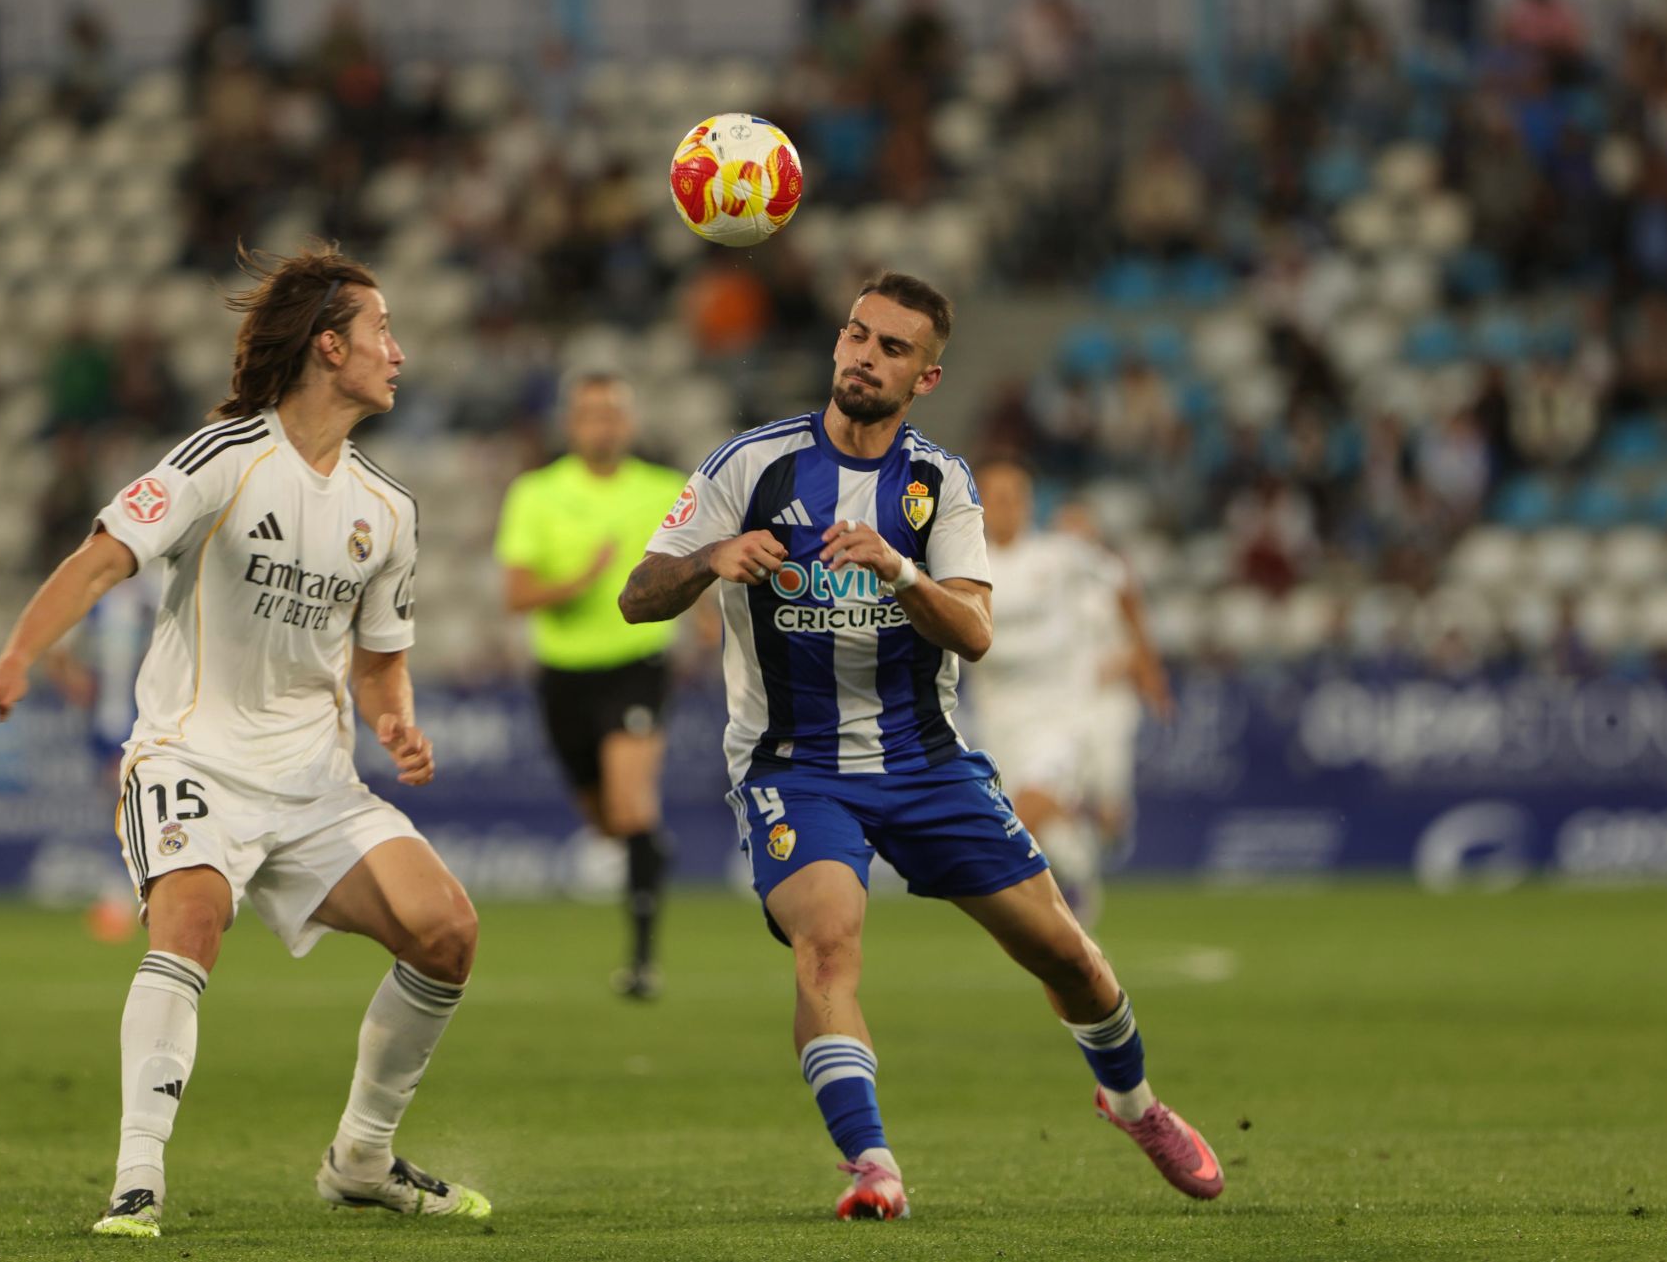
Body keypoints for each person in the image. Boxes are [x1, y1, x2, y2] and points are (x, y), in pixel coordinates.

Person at [619, 273, 1222, 1220]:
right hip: (793, 765)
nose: (866, 356)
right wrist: (708, 560)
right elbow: (636, 596)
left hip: (925, 762)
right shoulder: (749, 465)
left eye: (893, 347)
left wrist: (899, 569)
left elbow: (974, 631)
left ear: (926, 377)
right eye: (858, 335)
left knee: (1068, 957)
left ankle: (1134, 1103)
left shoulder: (941, 484)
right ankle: (873, 1165)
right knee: (826, 941)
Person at [0, 244, 491, 1238]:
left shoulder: (388, 510)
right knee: (192, 921)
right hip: (191, 757)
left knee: (448, 931)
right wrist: (19, 656)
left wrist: (396, 721)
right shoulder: (221, 460)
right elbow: (102, 556)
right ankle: (137, 1180)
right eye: (381, 331)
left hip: (314, 784)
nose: (399, 352)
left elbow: (380, 663)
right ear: (329, 347)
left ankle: (362, 1158)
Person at [494, 373, 687, 997]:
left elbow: (699, 563)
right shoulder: (537, 493)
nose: (603, 425)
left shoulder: (665, 489)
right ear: (572, 424)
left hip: (637, 662)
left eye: (612, 413)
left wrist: (711, 619)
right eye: (591, 414)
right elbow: (517, 595)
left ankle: (643, 962)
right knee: (609, 823)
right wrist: (580, 581)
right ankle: (650, 850)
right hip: (563, 675)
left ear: (629, 423)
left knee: (630, 806)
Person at [965, 476, 1172, 926]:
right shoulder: (965, 562)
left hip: (1062, 715)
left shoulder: (1058, 556)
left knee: (1029, 809)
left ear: (1028, 503)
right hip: (999, 720)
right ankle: (1076, 864)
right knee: (1023, 817)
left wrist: (1147, 665)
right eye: (995, 499)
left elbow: (1123, 582)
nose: (1004, 508)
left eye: (1012, 498)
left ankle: (1014, 881)